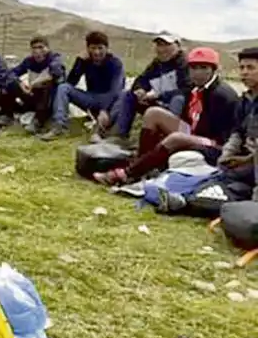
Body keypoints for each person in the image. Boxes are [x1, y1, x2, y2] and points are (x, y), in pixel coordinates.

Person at [93, 47, 239, 186]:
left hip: (216, 143)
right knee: (153, 113)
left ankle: (128, 173)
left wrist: (187, 137)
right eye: (194, 68)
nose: (197, 73)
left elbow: (224, 136)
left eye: (204, 68)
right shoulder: (194, 88)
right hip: (195, 132)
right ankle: (142, 164)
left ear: (214, 70)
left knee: (176, 138)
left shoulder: (222, 95)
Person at [155, 48, 258, 216]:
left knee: (228, 189)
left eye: (251, 68)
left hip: (251, 164)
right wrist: (227, 155)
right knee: (215, 185)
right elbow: (237, 133)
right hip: (241, 164)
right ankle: (184, 199)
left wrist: (244, 160)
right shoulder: (245, 101)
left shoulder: (223, 95)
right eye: (242, 68)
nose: (245, 73)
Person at [95, 32, 188, 146]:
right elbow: (140, 81)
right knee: (128, 95)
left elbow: (187, 90)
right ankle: (120, 136)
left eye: (166, 45)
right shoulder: (156, 64)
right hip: (159, 104)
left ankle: (167, 139)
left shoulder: (185, 65)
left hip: (180, 111)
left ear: (178, 46)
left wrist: (159, 95)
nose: (162, 49)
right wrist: (141, 90)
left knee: (178, 99)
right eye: (159, 45)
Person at [39, 31, 125, 141]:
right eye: (93, 48)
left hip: (109, 101)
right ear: (88, 49)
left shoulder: (115, 63)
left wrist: (105, 109)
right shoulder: (86, 61)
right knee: (63, 88)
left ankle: (100, 131)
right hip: (90, 98)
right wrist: (79, 62)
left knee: (123, 95)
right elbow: (70, 83)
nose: (96, 52)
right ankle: (59, 127)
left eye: (100, 48)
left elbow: (115, 90)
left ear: (106, 48)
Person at [0, 36, 67, 132]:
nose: (38, 51)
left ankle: (38, 121)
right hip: (32, 94)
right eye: (34, 48)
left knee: (47, 87)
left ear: (47, 48)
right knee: (10, 83)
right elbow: (12, 73)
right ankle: (7, 115)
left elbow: (56, 73)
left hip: (49, 100)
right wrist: (21, 84)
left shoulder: (54, 58)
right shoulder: (29, 61)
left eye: (41, 47)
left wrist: (36, 83)